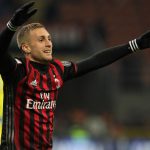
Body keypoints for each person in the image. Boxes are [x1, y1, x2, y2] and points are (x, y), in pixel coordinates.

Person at [0, 1, 150, 150]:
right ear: (26, 47)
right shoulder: (17, 70)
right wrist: (11, 26)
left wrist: (134, 45)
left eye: (49, 39)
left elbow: (95, 61)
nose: (48, 44)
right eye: (41, 40)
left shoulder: (57, 70)